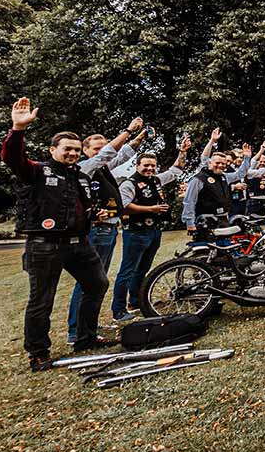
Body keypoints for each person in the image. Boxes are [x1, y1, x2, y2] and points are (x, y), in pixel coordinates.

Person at [1, 98, 116, 370]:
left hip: (80, 244)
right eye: (68, 149)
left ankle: (85, 338)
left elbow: (77, 206)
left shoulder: (79, 175)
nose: (73, 153)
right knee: (41, 300)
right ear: (53, 149)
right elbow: (12, 158)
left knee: (98, 283)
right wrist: (17, 129)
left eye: (77, 150)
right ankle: (39, 352)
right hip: (45, 246)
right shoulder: (36, 171)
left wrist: (92, 215)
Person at [64, 116, 146, 343]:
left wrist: (139, 138)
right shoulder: (84, 167)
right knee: (88, 281)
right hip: (96, 230)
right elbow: (110, 153)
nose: (103, 152)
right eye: (97, 149)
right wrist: (128, 130)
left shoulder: (101, 168)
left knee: (97, 282)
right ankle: (76, 332)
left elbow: (122, 154)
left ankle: (87, 324)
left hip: (108, 229)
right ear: (86, 152)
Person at [111, 138, 191, 320]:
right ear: (137, 165)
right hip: (135, 232)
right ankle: (118, 309)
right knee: (127, 270)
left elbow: (175, 170)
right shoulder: (129, 184)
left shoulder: (155, 180)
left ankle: (136, 301)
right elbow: (123, 206)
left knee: (143, 269)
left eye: (153, 166)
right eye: (146, 165)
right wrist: (151, 209)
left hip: (153, 231)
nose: (150, 169)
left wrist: (183, 151)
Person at [181, 145, 253, 237]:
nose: (221, 165)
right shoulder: (198, 179)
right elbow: (189, 202)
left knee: (225, 248)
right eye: (217, 163)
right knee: (207, 249)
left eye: (223, 164)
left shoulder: (224, 177)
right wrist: (190, 223)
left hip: (223, 220)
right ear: (210, 163)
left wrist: (247, 158)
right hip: (205, 221)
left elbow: (239, 174)